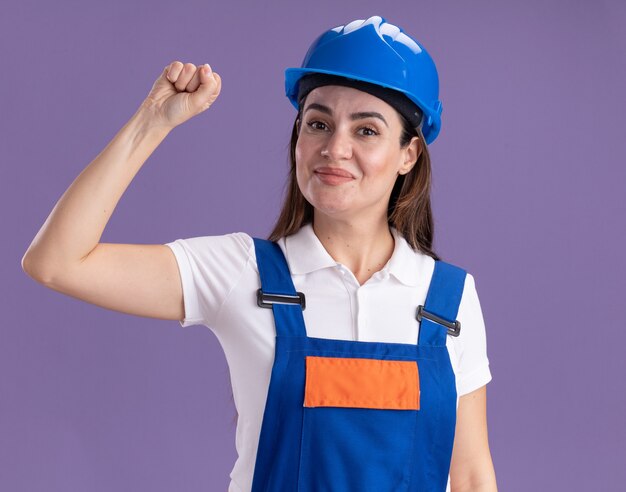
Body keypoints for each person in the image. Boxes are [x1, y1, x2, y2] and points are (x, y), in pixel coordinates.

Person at [21, 15, 497, 492]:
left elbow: (473, 477)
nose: (335, 148)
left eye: (366, 130)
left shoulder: (448, 298)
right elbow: (57, 262)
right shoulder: (241, 272)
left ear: (409, 154)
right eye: (318, 123)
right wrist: (151, 122)